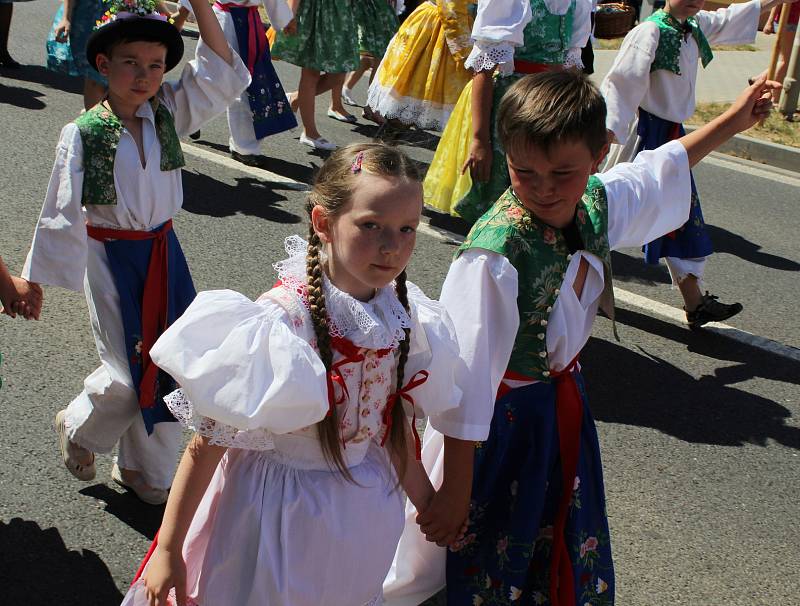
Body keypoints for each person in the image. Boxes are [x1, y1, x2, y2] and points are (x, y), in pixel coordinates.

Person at [388, 71, 779, 605]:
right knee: (457, 553)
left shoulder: (595, 202)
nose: (544, 187)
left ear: (599, 155)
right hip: (495, 428)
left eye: (563, 172)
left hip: (557, 408)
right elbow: (466, 379)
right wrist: (455, 488)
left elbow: (658, 168)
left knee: (550, 533)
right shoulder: (496, 253)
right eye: (524, 172)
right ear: (507, 158)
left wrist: (736, 119)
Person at [120, 143, 467, 606]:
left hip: (360, 521)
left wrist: (427, 504)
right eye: (371, 226)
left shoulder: (403, 315)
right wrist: (168, 547)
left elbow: (391, 427)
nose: (392, 246)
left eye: (407, 229)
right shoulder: (281, 324)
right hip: (276, 516)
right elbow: (208, 443)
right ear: (323, 223)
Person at [21, 0, 250, 505]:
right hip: (110, 258)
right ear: (103, 65)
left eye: (155, 65)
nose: (144, 75)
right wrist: (34, 280)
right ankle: (80, 427)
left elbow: (223, 70)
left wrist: (201, 6)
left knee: (175, 364)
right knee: (129, 373)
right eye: (130, 62)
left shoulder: (167, 113)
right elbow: (59, 211)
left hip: (164, 252)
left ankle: (144, 467)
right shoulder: (83, 133)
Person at [600, 0, 796, 329]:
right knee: (609, 210)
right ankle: (568, 274)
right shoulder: (649, 32)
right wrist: (607, 134)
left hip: (673, 137)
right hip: (643, 137)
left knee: (680, 216)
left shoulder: (695, 25)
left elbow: (731, 18)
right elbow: (620, 86)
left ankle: (695, 302)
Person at [424, 0, 593, 226]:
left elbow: (572, 65)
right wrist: (479, 140)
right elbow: (483, 70)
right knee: (503, 194)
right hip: (512, 108)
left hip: (552, 106)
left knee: (545, 186)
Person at [210, 0, 298, 166]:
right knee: (234, 83)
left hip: (237, 21)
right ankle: (243, 146)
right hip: (228, 21)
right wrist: (285, 18)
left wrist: (285, 18)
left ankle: (244, 146)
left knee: (239, 83)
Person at [364, 0, 474, 130]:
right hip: (439, 28)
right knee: (409, 95)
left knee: (411, 95)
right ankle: (385, 140)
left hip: (440, 25)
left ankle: (387, 136)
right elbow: (450, 9)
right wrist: (467, 53)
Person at [270, 0, 360, 150]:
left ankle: (294, 98)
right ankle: (310, 132)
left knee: (338, 74)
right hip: (316, 12)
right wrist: (290, 13)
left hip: (341, 14)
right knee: (311, 71)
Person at [763, 1, 800, 103]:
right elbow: (778, 2)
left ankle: (758, 79)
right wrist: (769, 22)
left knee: (788, 61)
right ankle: (774, 98)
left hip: (794, 24)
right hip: (787, 22)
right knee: (786, 62)